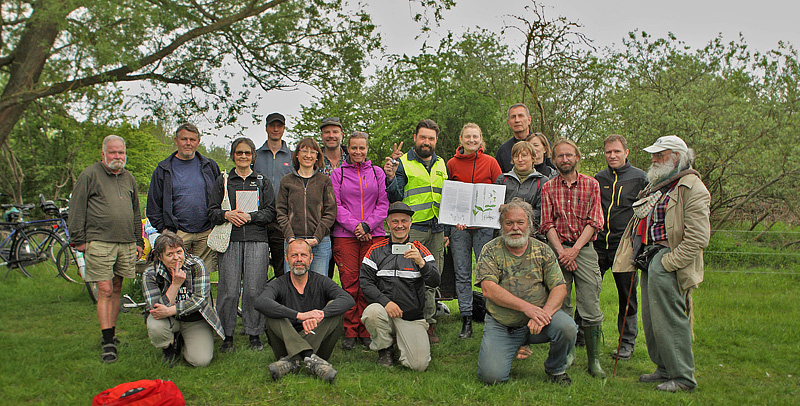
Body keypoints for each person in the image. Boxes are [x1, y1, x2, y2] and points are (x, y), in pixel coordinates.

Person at [612, 135, 710, 392]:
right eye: (654, 155)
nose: (654, 159)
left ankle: (684, 377)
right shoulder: (662, 184)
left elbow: (698, 236)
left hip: (668, 260)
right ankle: (664, 368)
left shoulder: (692, 187)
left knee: (671, 319)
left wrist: (670, 262)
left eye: (660, 154)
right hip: (650, 257)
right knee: (652, 318)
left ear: (677, 157)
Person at [475, 199, 576, 385]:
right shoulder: (490, 250)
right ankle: (512, 346)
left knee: (567, 327)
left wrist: (543, 314)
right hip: (503, 324)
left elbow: (560, 287)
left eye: (520, 222)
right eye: (509, 223)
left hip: (539, 322)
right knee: (492, 377)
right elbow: (488, 289)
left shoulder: (543, 250)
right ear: (502, 226)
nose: (515, 228)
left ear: (529, 225)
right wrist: (527, 308)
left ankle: (556, 368)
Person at [68, 135, 144, 363]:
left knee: (117, 287)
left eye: (121, 152)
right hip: (99, 241)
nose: (117, 157)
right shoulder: (89, 175)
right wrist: (78, 240)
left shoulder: (129, 178)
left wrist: (138, 241)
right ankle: (108, 340)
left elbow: (136, 211)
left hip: (125, 242)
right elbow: (76, 208)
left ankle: (111, 332)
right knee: (104, 288)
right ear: (103, 154)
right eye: (113, 152)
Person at [539, 138, 606, 379]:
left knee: (590, 305)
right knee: (561, 303)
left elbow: (595, 221)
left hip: (583, 249)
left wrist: (575, 251)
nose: (564, 159)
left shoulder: (592, 185)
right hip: (557, 250)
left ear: (577, 157)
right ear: (553, 160)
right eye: (559, 156)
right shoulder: (547, 187)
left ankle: (594, 360)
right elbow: (546, 223)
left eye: (569, 155)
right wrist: (561, 252)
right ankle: (566, 353)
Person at [208, 138, 276, 353]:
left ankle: (254, 332)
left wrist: (250, 216)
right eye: (239, 153)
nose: (243, 157)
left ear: (253, 156)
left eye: (247, 153)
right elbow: (211, 212)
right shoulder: (224, 181)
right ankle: (227, 334)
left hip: (257, 239)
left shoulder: (262, 181)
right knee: (228, 290)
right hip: (230, 240)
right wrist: (226, 214)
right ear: (233, 155)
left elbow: (271, 212)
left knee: (254, 289)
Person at [383, 119, 448, 343]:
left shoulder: (441, 163)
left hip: (437, 230)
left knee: (432, 278)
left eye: (431, 138)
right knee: (406, 276)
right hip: (412, 230)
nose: (426, 142)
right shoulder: (402, 163)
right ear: (415, 139)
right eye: (423, 137)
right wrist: (391, 177)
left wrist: (447, 228)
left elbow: (445, 198)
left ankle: (428, 323)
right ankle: (402, 321)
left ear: (436, 140)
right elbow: (395, 196)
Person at [254, 239, 355, 384]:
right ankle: (308, 357)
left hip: (318, 342)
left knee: (335, 308)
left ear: (311, 258)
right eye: (294, 255)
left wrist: (321, 315)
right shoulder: (279, 283)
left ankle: (292, 361)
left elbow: (347, 299)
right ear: (287, 258)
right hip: (285, 345)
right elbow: (260, 302)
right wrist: (299, 316)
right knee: (273, 311)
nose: (299, 260)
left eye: (303, 255)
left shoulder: (321, 281)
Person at [586, 134, 647, 359]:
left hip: (625, 247)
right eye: (608, 152)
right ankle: (581, 335)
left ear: (626, 153)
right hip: (598, 244)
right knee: (588, 290)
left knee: (627, 296)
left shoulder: (640, 178)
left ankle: (626, 343)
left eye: (617, 151)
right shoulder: (598, 178)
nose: (612, 155)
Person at [360, 202, 440, 371]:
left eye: (404, 221)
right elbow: (365, 282)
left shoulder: (421, 250)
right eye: (395, 221)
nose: (400, 226)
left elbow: (435, 281)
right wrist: (385, 302)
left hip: (411, 316)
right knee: (372, 313)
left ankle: (404, 341)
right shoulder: (375, 250)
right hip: (385, 311)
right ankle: (385, 349)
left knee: (418, 365)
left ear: (411, 222)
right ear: (387, 223)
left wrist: (421, 263)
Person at [330, 131, 389, 350]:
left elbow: (383, 203)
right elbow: (335, 205)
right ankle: (350, 329)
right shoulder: (338, 174)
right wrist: (355, 226)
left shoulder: (377, 172)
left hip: (374, 234)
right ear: (347, 148)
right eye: (353, 148)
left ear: (367, 149)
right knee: (349, 283)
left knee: (369, 283)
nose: (358, 152)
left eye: (361, 148)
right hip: (346, 235)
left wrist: (367, 226)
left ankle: (367, 329)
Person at [445, 123, 502, 339]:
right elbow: (448, 196)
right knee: (462, 272)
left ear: (480, 139)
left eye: (475, 137)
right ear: (461, 139)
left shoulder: (490, 162)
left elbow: (498, 191)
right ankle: (466, 318)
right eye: (467, 137)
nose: (471, 140)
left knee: (486, 272)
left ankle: (491, 316)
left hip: (484, 227)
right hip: (459, 228)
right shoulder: (451, 163)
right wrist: (452, 222)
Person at [142, 231, 224, 367]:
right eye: (170, 254)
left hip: (194, 318)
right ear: (160, 257)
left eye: (179, 252)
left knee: (201, 361)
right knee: (155, 325)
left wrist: (171, 310)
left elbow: (200, 300)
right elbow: (155, 307)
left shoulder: (196, 265)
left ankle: (184, 340)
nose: (176, 258)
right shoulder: (150, 273)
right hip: (168, 320)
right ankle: (168, 348)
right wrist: (175, 285)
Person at [146, 123, 221, 272]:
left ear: (198, 141)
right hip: (177, 234)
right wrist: (165, 230)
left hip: (206, 233)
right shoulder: (163, 169)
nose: (188, 143)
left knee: (202, 276)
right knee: (176, 275)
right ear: (176, 140)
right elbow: (153, 205)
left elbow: (222, 196)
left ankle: (202, 297)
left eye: (192, 140)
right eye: (184, 139)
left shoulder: (210, 166)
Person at [276, 138, 337, 276]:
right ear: (297, 154)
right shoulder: (287, 181)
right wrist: (290, 238)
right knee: (293, 285)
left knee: (318, 285)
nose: (308, 155)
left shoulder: (324, 181)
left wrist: (317, 237)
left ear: (317, 156)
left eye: (312, 152)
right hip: (293, 241)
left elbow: (330, 212)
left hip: (320, 243)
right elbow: (281, 212)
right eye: (304, 150)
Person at [253, 112, 293, 278]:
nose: (275, 129)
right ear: (266, 128)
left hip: (282, 218)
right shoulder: (255, 155)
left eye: (279, 126)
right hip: (258, 216)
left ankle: (279, 301)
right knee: (256, 266)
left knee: (280, 265)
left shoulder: (292, 156)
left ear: (284, 128)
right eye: (272, 125)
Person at [495, 141, 550, 240]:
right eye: (516, 156)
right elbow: (493, 209)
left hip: (532, 235)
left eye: (524, 156)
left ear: (533, 158)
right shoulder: (502, 179)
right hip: (505, 235)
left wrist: (516, 211)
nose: (520, 160)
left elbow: (542, 212)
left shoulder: (542, 181)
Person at [319, 117, 349, 279]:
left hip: (348, 225)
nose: (331, 135)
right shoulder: (314, 159)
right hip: (321, 223)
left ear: (341, 135)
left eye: (335, 132)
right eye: (327, 132)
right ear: (322, 135)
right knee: (323, 274)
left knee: (349, 274)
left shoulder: (353, 157)